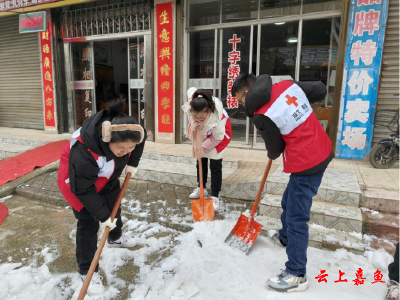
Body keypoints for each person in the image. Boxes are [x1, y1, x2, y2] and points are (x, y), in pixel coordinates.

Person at [232, 73, 333, 293]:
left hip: (306, 163)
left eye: (240, 100)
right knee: (289, 199)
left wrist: (271, 150)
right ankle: (286, 237)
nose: (242, 104)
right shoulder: (287, 85)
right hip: (322, 148)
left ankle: (297, 274)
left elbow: (275, 149)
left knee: (297, 217)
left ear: (247, 93)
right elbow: (320, 89)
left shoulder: (261, 113)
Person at [57, 97, 146, 295]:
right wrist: (102, 217)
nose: (126, 152)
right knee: (88, 222)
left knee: (114, 204)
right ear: (107, 140)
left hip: (107, 175)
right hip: (78, 183)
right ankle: (87, 269)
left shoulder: (128, 133)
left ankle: (115, 238)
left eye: (130, 148)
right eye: (121, 149)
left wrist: (134, 161)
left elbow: (141, 138)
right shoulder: (83, 153)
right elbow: (83, 190)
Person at [183, 88, 232, 212]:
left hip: (219, 137)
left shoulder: (217, 116)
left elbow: (218, 137)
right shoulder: (192, 106)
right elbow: (191, 91)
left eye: (201, 117)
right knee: (200, 161)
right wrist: (199, 147)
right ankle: (201, 188)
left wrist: (202, 147)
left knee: (215, 165)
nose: (198, 119)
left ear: (208, 111)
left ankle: (215, 195)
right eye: (195, 116)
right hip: (203, 133)